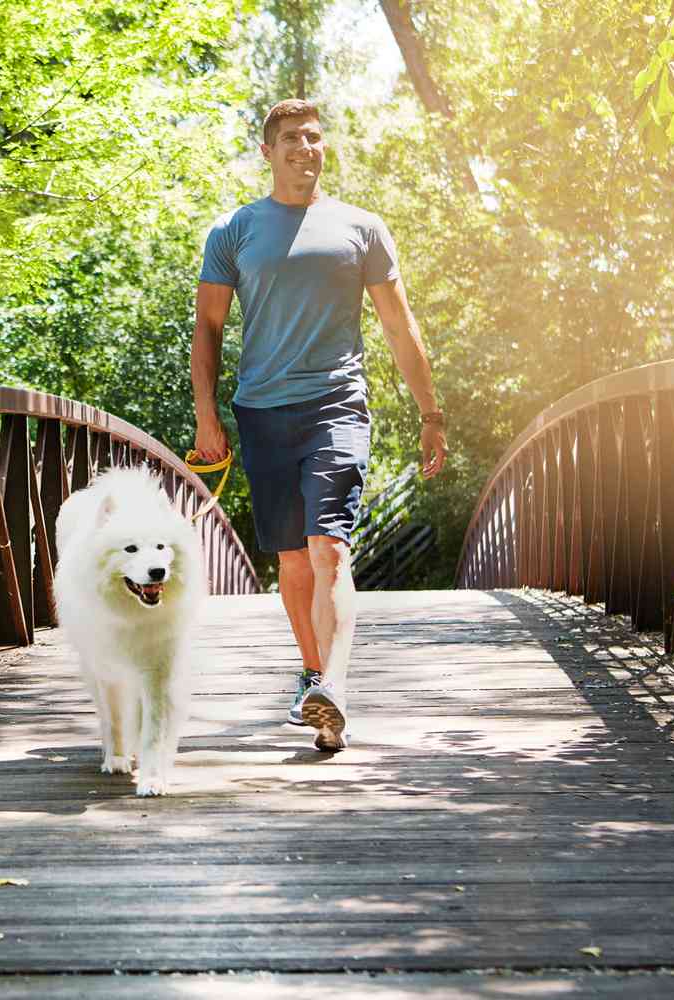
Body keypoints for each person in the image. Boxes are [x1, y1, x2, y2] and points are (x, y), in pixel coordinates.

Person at [191, 98, 446, 751]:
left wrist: (430, 412)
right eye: (292, 139)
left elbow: (398, 324)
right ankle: (313, 681)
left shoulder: (362, 228)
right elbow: (210, 330)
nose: (306, 148)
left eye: (314, 137)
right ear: (269, 151)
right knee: (290, 560)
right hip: (262, 411)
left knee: (327, 547)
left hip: (337, 405)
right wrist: (206, 414)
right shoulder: (234, 231)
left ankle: (333, 682)